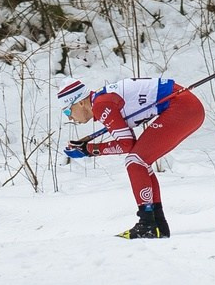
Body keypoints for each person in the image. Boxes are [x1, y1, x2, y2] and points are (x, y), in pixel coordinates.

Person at [59, 73, 205, 238]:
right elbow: (128, 142)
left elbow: (127, 144)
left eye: (67, 111)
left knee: (135, 161)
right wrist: (88, 148)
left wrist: (90, 150)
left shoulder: (101, 105)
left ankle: (147, 224)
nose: (70, 117)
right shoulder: (101, 101)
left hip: (182, 107)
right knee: (140, 161)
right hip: (185, 106)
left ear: (81, 102)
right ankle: (157, 224)